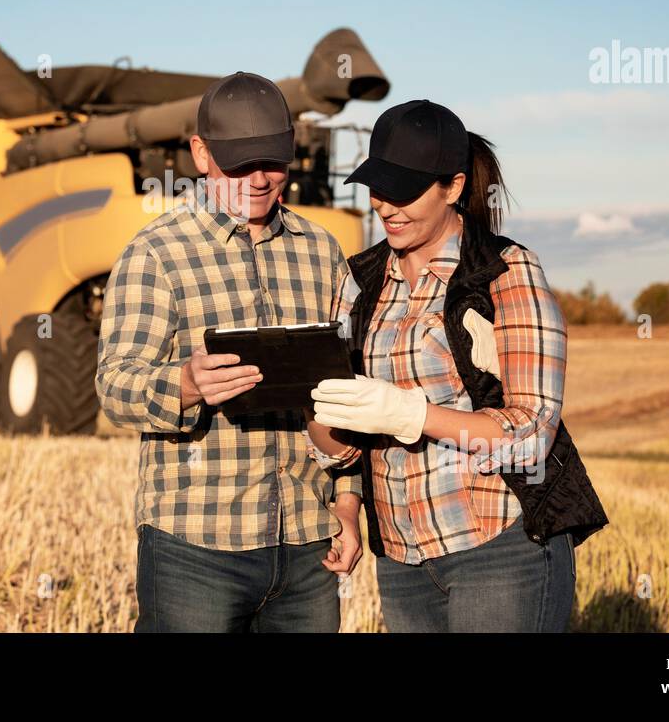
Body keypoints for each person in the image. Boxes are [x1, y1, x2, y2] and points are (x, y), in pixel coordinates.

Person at [307, 99, 608, 632]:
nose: (386, 206)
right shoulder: (358, 280)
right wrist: (310, 408)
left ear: (455, 187)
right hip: (400, 557)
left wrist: (411, 415)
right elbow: (345, 441)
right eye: (378, 188)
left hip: (498, 547)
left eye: (407, 191)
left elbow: (533, 433)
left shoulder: (506, 272)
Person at [97, 71, 364, 633]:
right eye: (240, 163)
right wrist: (186, 384)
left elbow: (348, 392)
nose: (260, 179)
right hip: (195, 548)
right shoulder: (155, 253)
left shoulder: (322, 251)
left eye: (273, 161)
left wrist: (347, 502)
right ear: (200, 153)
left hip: (307, 548)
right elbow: (115, 388)